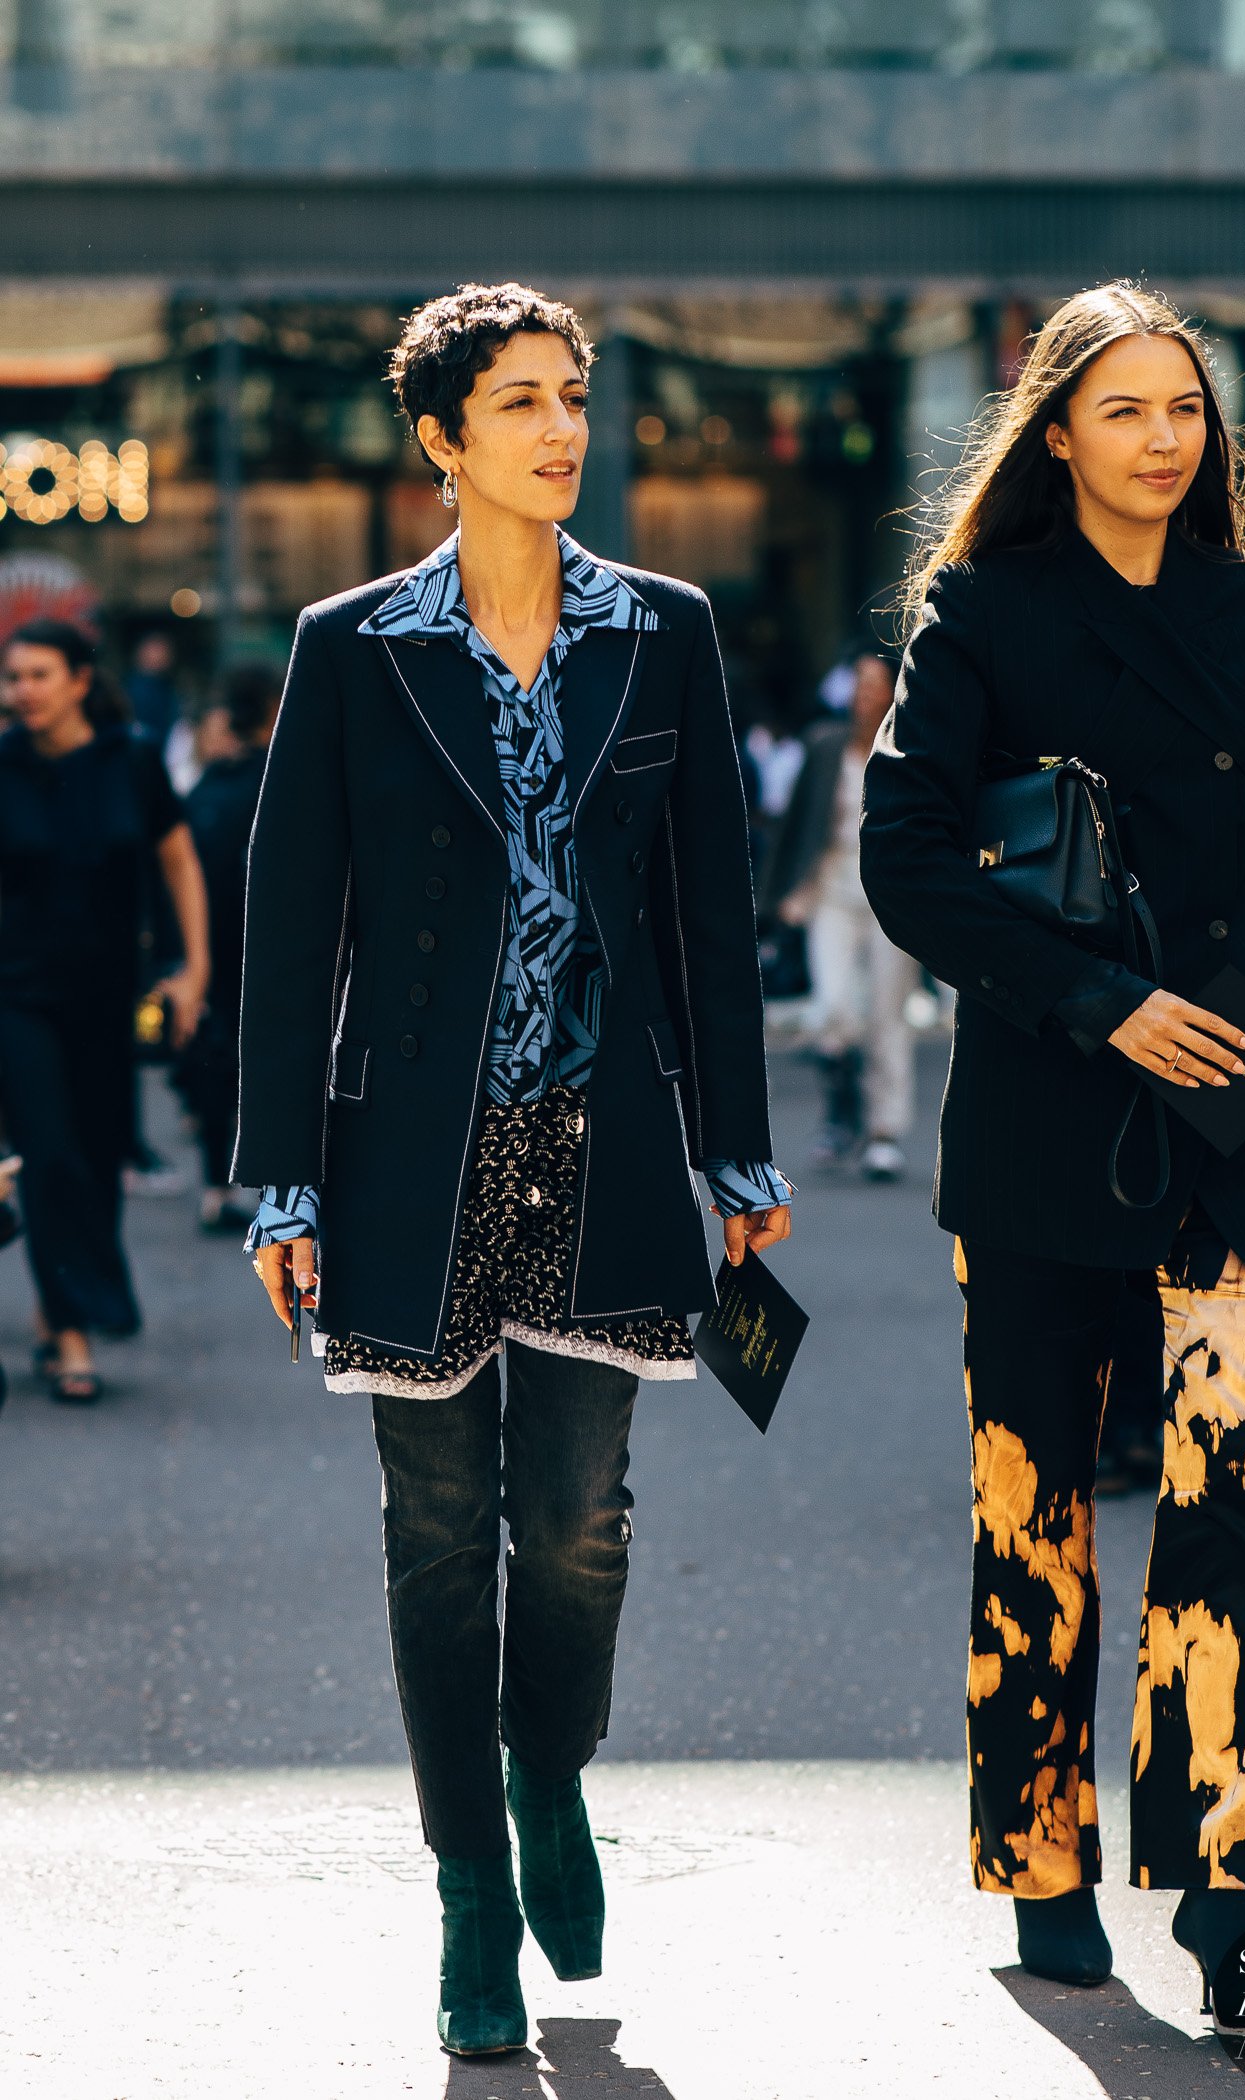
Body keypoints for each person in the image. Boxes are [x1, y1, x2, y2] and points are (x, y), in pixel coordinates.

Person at [233, 282, 793, 2059]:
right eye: (523, 403)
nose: (562, 429)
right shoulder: (356, 645)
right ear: (441, 439)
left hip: (605, 1143)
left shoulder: (664, 631)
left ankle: (547, 1773)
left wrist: (739, 1148)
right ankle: (471, 1884)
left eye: (574, 396)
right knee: (434, 1540)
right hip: (410, 1152)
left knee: (572, 1530)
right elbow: (288, 922)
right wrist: (280, 1181)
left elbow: (709, 907)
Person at [860, 283, 1245, 2027]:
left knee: (1238, 1498)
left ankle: (1235, 1882)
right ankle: (1043, 1853)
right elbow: (909, 860)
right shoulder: (983, 612)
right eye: (1129, 410)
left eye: (1189, 412)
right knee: (1036, 1504)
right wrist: (1100, 1003)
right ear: (1059, 433)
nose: (1166, 440)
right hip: (1041, 1124)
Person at [0, 620, 209, 1401]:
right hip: (15, 994)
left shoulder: (134, 759)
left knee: (95, 1153)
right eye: (13, 677)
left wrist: (195, 969)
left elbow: (179, 861)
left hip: (106, 995)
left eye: (38, 675)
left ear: (80, 680)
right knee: (48, 1152)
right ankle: (73, 1332)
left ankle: (70, 1301)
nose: (21, 691)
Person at [759, 650, 918, 1178]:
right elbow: (794, 825)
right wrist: (779, 895)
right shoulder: (825, 747)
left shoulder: (910, 750)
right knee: (832, 1008)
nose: (864, 694)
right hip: (831, 891)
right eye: (858, 684)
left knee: (886, 1017)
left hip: (892, 899)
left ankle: (883, 1133)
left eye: (876, 685)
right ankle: (843, 1109)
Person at [176, 666, 282, 1231]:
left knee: (218, 1067)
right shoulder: (280, 778)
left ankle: (218, 1187)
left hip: (210, 952)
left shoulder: (208, 788)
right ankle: (279, 1194)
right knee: (272, 1069)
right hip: (268, 952)